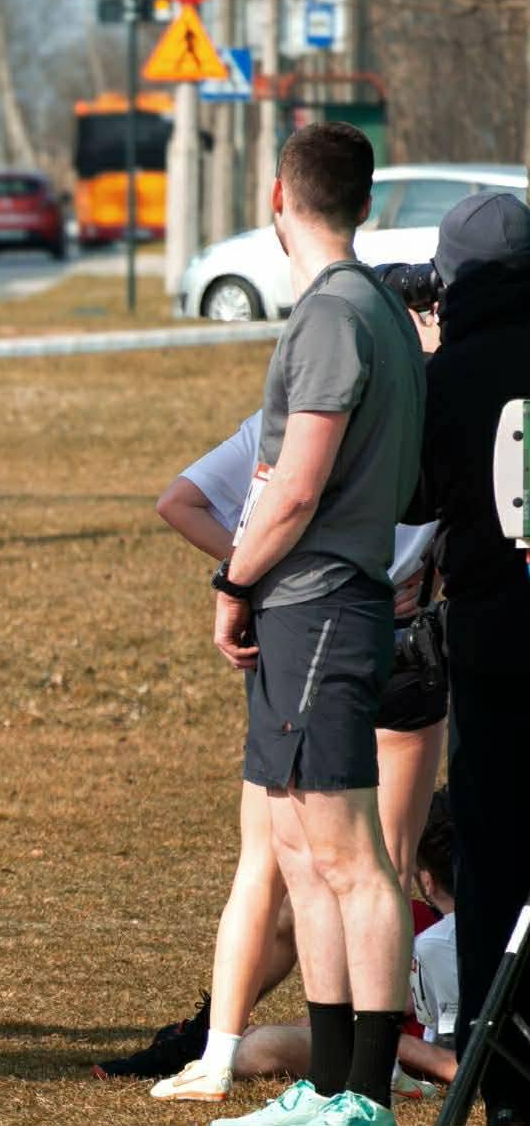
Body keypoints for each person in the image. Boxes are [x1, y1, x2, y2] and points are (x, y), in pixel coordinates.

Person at [105, 407, 447, 1100]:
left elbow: (180, 502)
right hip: (398, 644)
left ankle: (218, 1050)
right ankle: (372, 1063)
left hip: (304, 637)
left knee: (272, 867)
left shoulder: (285, 419)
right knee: (382, 866)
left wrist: (250, 574)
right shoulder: (423, 417)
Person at [204, 122, 425, 1126]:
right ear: (365, 203)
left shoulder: (336, 314)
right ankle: (325, 1082)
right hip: (302, 606)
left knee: (349, 857)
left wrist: (232, 577)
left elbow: (295, 488)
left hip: (322, 601)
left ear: (275, 198)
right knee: (298, 850)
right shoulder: (368, 306)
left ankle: (364, 1096)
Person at [408, 189, 530, 1124]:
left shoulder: (450, 374)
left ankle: (511, 1080)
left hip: (493, 647)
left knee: (493, 860)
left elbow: (412, 498)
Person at [225, 793, 461, 1098]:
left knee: (253, 1049)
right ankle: (221, 1024)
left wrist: (392, 1044)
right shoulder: (424, 924)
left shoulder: (437, 942)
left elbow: (460, 1064)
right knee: (296, 910)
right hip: (378, 1029)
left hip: (402, 1048)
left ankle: (221, 1033)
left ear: (427, 881)